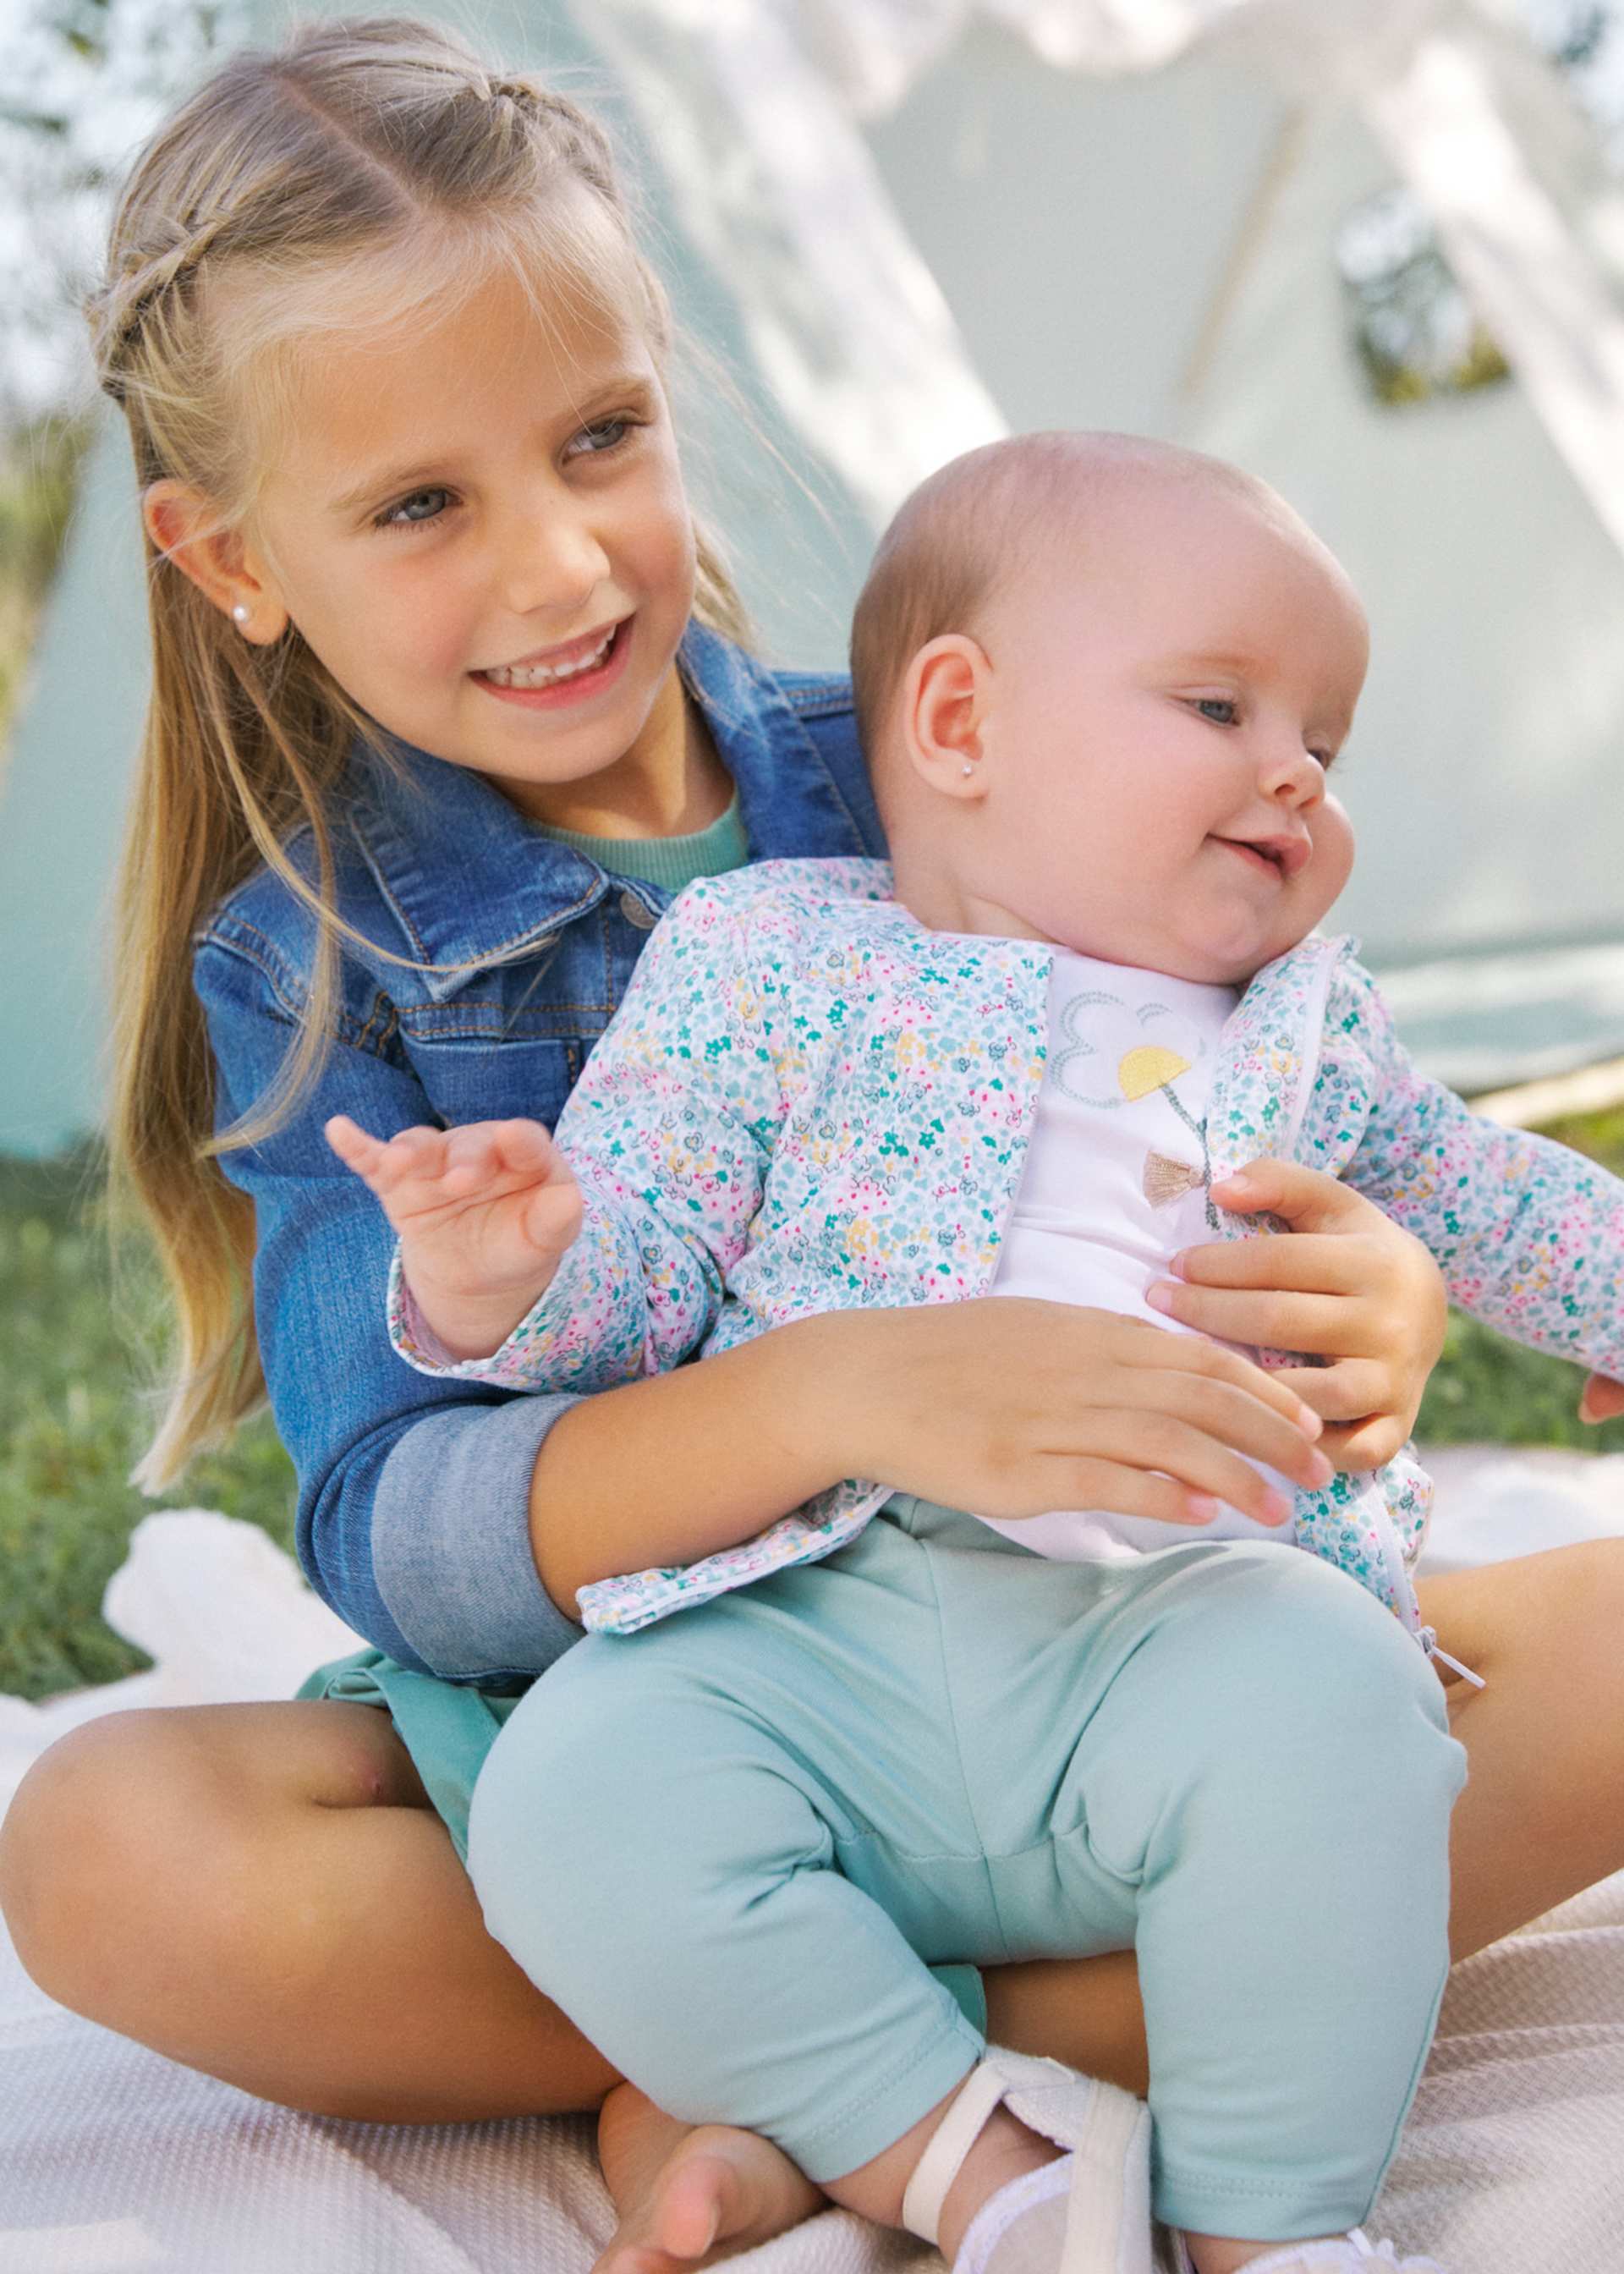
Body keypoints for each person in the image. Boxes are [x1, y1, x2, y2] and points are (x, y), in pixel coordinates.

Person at [0, 19, 1617, 2274]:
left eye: (601, 437)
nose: (563, 562)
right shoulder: (320, 970)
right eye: (421, 505)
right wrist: (848, 1394)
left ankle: (789, 2069)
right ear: (231, 557)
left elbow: (1296, 1103)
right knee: (105, 1841)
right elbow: (412, 1554)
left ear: (673, 388)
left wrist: (1375, 1287)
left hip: (1116, 1644)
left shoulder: (936, 754)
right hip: (695, 1716)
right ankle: (1046, 2037)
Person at [330, 433, 1624, 2274]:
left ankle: (1271, 2224)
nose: (1295, 774)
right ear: (957, 721)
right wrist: (503, 1273)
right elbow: (646, 1269)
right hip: (809, 1622)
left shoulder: (1308, 1028)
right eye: (1220, 705)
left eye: (1323, 746)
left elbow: (1504, 1199)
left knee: (1347, 1724)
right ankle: (977, 2160)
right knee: (572, 1803)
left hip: (1180, 1625)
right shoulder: (773, 956)